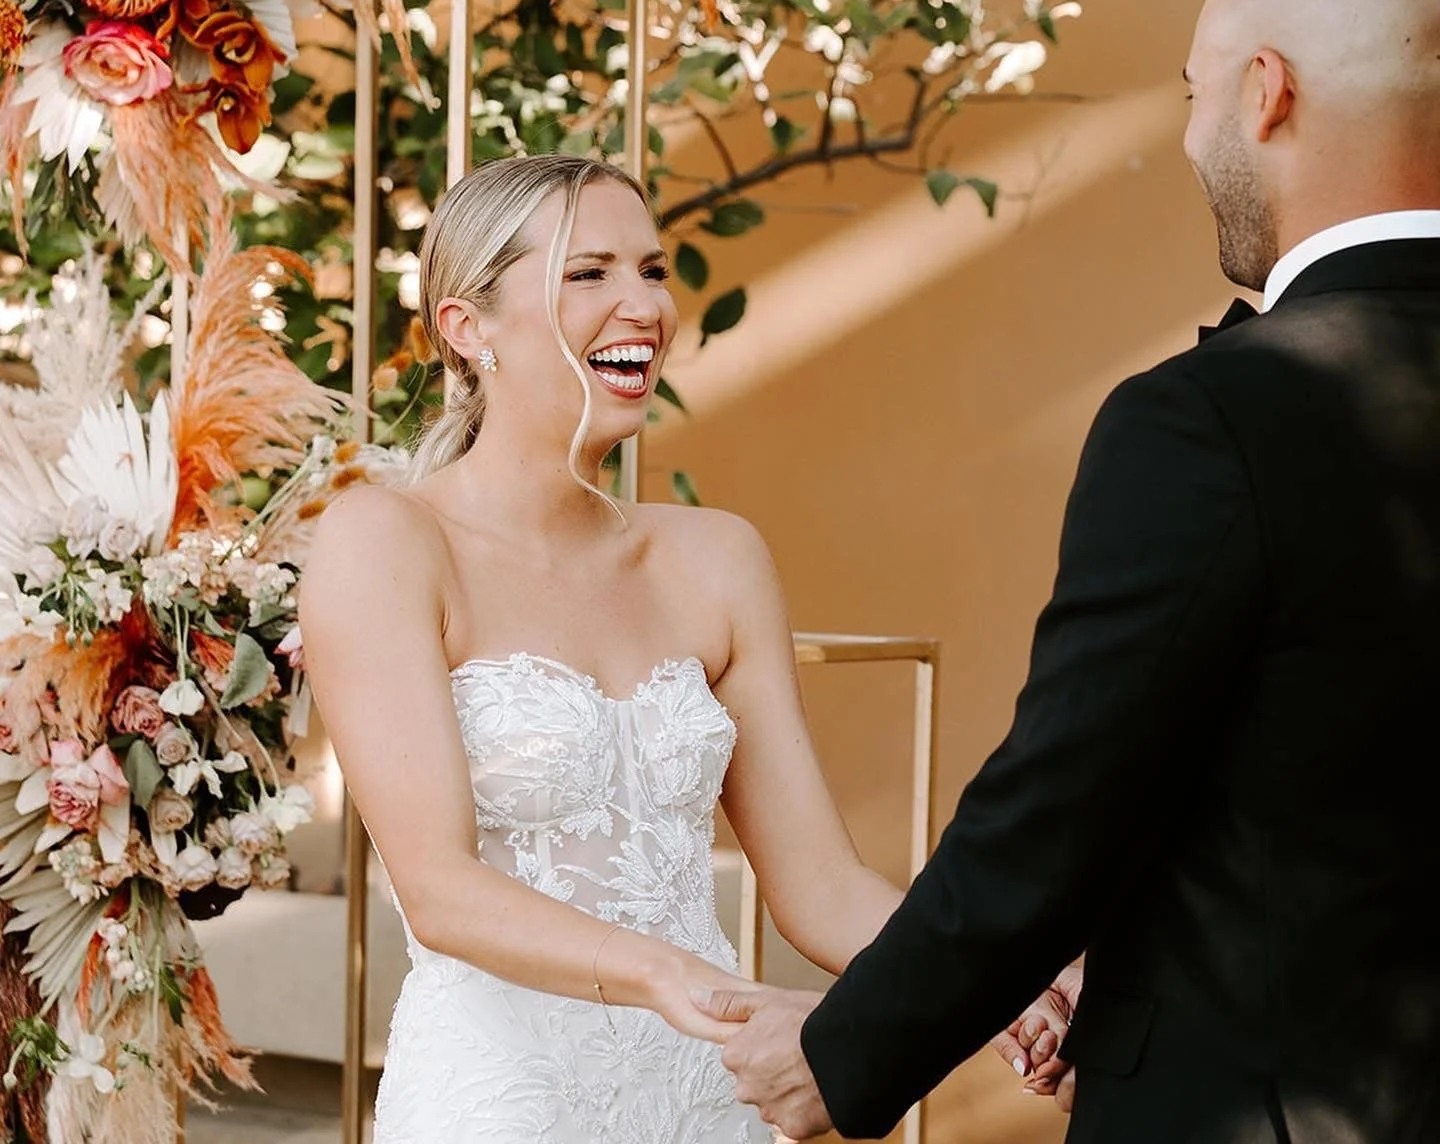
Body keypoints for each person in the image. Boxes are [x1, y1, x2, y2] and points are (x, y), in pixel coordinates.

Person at [705, 0, 1440, 1142]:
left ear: (1267, 95)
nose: (1192, 137)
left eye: (1194, 94)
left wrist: (846, 1052)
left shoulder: (1216, 417)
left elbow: (1068, 796)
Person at [299, 153, 1066, 1142]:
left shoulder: (717, 558)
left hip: (705, 1094)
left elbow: (818, 884)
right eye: (590, 273)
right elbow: (440, 890)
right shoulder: (386, 542)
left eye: (653, 271)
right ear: (467, 325)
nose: (643, 305)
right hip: (499, 1101)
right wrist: (672, 974)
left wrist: (994, 975)